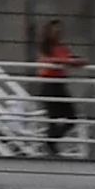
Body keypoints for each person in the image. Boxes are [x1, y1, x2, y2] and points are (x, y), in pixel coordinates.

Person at [35, 21, 79, 152]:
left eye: (59, 31)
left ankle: (50, 142)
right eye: (55, 31)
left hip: (59, 83)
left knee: (72, 117)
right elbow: (49, 60)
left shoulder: (61, 48)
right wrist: (68, 61)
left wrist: (77, 61)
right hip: (49, 83)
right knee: (53, 117)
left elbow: (68, 59)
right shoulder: (44, 47)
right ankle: (50, 145)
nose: (58, 34)